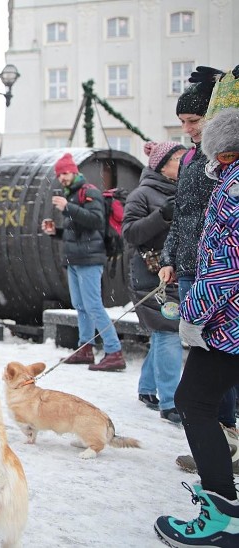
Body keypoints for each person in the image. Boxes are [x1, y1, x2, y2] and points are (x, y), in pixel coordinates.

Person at [154, 107, 239, 547]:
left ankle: (223, 518)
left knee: (194, 401)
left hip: (229, 323)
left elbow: (225, 266)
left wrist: (195, 315)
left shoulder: (234, 187)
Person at [42, 152, 126, 371]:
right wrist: (56, 232)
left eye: (65, 173)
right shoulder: (71, 195)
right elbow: (79, 231)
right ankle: (85, 349)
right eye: (59, 175)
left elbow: (96, 221)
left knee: (93, 305)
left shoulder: (89, 192)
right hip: (74, 259)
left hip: (90, 259)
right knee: (80, 306)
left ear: (74, 171)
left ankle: (114, 350)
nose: (62, 178)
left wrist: (68, 208)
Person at [122, 141, 186, 424]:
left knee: (164, 333)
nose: (184, 164)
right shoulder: (142, 194)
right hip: (151, 276)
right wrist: (161, 217)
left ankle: (147, 388)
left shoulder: (186, 190)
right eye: (179, 160)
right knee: (169, 332)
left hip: (177, 271)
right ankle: (171, 402)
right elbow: (131, 233)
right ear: (162, 165)